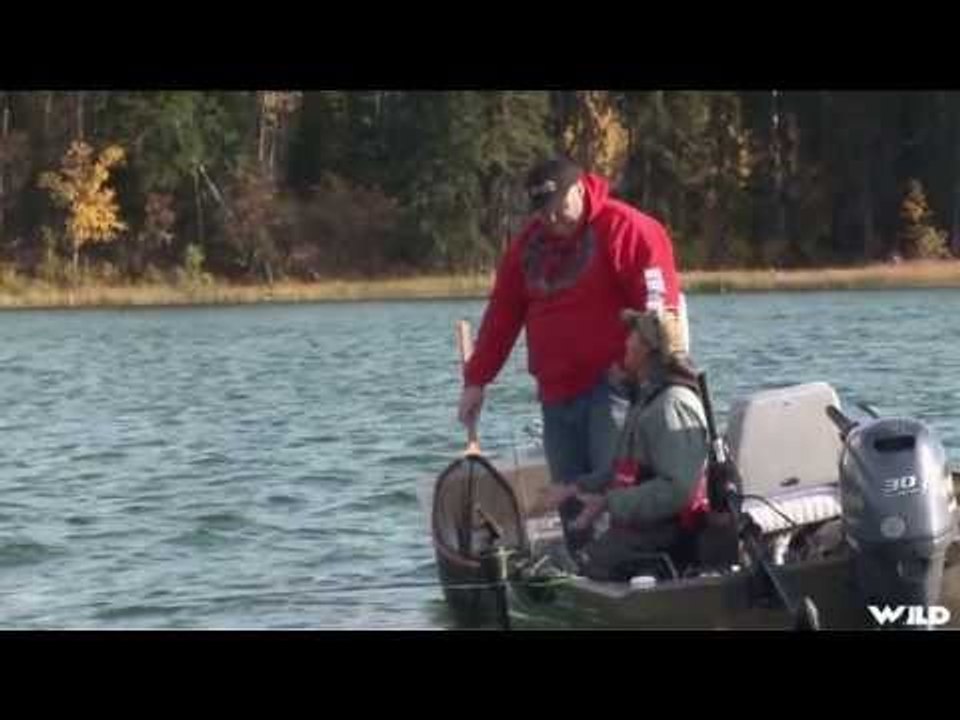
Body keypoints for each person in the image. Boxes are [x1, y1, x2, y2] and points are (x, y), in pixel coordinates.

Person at [457, 155, 684, 552]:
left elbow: (657, 306)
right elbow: (502, 315)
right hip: (556, 393)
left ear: (580, 189)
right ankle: (586, 572)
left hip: (613, 389)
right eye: (543, 212)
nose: (552, 220)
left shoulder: (627, 229)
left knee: (613, 487)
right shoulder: (528, 245)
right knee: (571, 500)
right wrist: (476, 379)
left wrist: (650, 369)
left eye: (559, 208)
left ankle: (632, 568)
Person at [545, 307, 710, 581]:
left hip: (661, 542)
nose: (625, 341)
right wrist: (576, 488)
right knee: (558, 558)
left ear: (646, 349)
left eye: (632, 335)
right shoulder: (646, 400)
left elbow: (679, 489)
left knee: (567, 569)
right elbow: (625, 470)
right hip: (637, 535)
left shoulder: (671, 406)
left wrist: (609, 502)